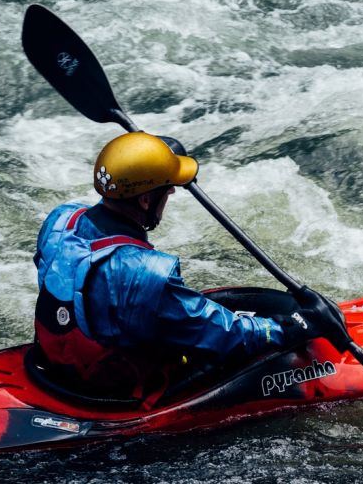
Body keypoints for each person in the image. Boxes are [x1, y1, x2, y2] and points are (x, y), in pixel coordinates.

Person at [32, 131, 322, 403]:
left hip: (56, 362)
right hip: (110, 385)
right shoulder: (143, 272)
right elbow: (221, 333)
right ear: (145, 200)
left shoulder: (61, 220)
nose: (170, 195)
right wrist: (285, 329)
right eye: (167, 191)